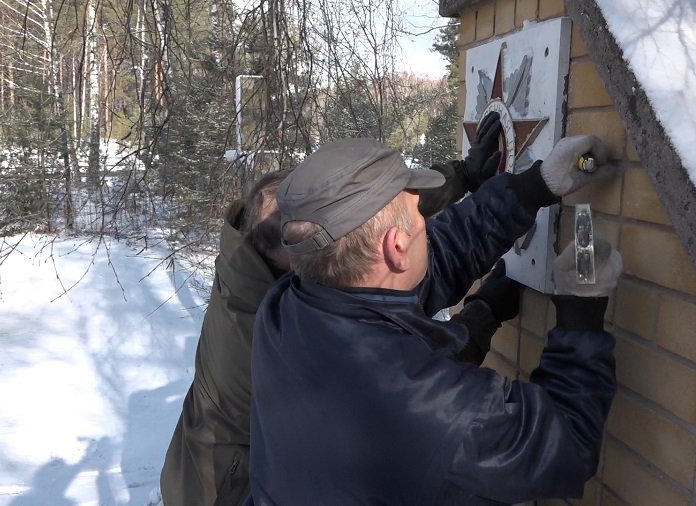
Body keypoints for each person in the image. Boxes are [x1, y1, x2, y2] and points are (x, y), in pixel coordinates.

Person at [158, 114, 517, 506]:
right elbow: (404, 392)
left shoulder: (254, 254)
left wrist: (461, 176)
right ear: (290, 249)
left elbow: (361, 209)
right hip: (222, 490)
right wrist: (482, 315)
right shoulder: (272, 330)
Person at [246, 136, 620, 504]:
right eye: (421, 221)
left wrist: (533, 187)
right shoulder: (432, 414)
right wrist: (581, 310)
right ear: (396, 247)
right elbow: (567, 442)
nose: (427, 228)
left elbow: (431, 261)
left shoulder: (287, 309)